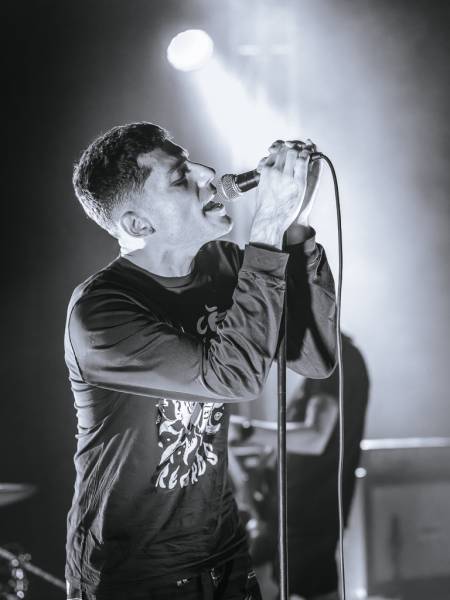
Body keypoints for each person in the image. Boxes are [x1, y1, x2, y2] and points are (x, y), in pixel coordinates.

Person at [64, 122, 337, 600]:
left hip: (224, 555)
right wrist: (267, 228)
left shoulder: (224, 266)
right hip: (136, 575)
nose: (209, 174)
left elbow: (314, 357)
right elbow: (233, 378)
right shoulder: (101, 313)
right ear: (138, 225)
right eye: (179, 177)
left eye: (193, 163)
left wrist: (295, 226)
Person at [230, 334, 369, 600]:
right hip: (294, 513)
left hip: (308, 515)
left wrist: (245, 432)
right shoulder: (325, 363)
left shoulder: (338, 360)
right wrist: (261, 469)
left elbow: (315, 437)